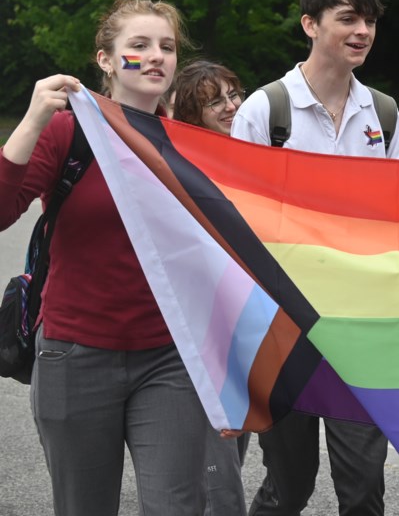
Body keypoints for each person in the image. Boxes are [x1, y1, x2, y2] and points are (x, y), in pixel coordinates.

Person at [0, 0, 209, 515]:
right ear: (106, 61)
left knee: (176, 506)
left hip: (169, 357)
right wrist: (31, 119)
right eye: (138, 46)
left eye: (167, 46)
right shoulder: (68, 131)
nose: (156, 56)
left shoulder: (192, 144)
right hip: (74, 354)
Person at [232, 0, 399, 516]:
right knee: (290, 486)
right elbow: (240, 227)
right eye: (347, 19)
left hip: (360, 325)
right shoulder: (265, 111)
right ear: (310, 23)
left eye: (370, 20)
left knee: (363, 489)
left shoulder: (384, 111)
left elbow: (395, 214)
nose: (363, 31)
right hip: (283, 329)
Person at [169, 59, 251, 515]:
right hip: (202, 327)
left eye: (233, 94)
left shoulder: (251, 152)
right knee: (215, 460)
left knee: (235, 441)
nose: (230, 106)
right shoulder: (181, 162)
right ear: (189, 113)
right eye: (214, 101)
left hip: (243, 323)